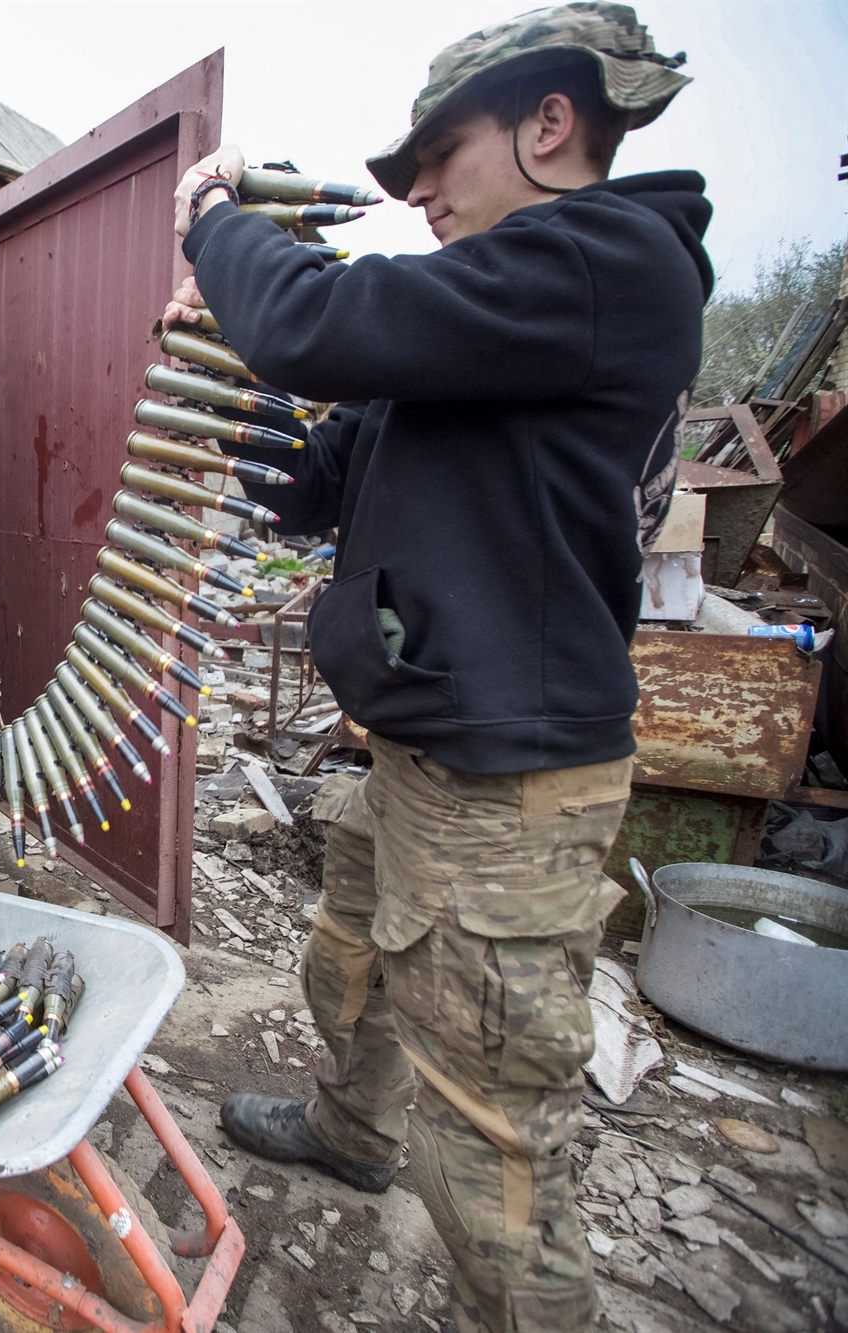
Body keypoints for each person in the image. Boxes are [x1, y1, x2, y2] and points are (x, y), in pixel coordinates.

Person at [163, 6, 707, 1329]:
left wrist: (216, 220)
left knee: (488, 1149)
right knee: (348, 969)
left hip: (506, 791)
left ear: (550, 122)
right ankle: (354, 1131)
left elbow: (310, 322)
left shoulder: (605, 261)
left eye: (437, 154)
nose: (414, 190)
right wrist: (220, 383)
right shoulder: (480, 324)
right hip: (419, 752)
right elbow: (311, 480)